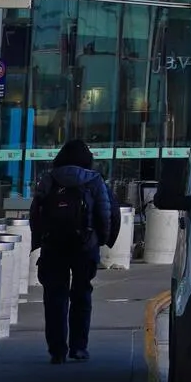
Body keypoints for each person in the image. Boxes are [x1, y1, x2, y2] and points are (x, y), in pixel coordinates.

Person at [30, 139, 119, 364]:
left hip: (53, 246)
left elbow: (36, 212)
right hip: (84, 246)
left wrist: (39, 240)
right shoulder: (94, 180)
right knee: (82, 295)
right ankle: (79, 348)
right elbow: (105, 213)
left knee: (54, 297)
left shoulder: (49, 179)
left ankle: (57, 350)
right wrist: (102, 239)